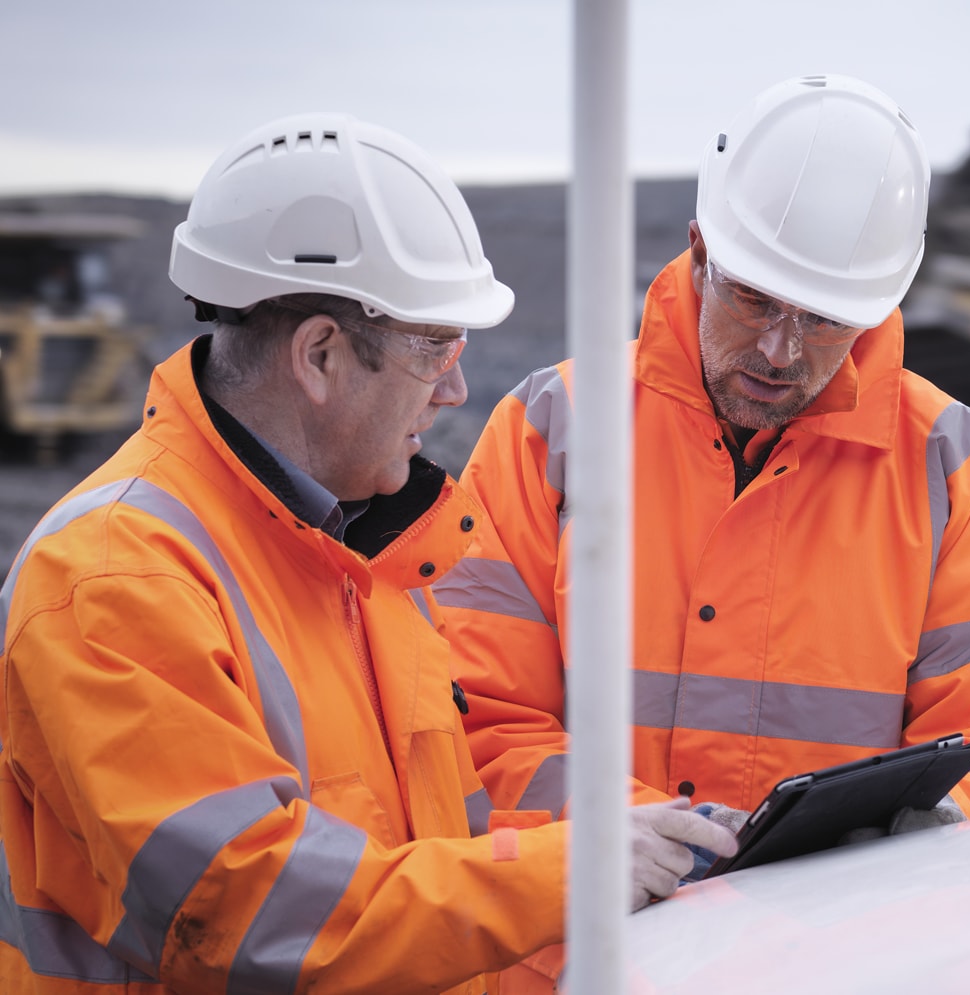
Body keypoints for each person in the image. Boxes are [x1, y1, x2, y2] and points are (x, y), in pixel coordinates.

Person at [0, 112, 734, 994]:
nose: (458, 388)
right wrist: (569, 875)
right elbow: (240, 908)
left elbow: (430, 865)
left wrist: (652, 842)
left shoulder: (364, 560)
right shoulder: (114, 577)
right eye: (436, 348)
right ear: (319, 353)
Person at [436, 75, 970, 984]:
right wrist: (615, 833)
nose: (782, 351)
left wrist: (934, 833)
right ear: (700, 250)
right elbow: (469, 720)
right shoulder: (555, 428)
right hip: (580, 965)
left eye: (824, 320)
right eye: (756, 301)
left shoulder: (955, 466)